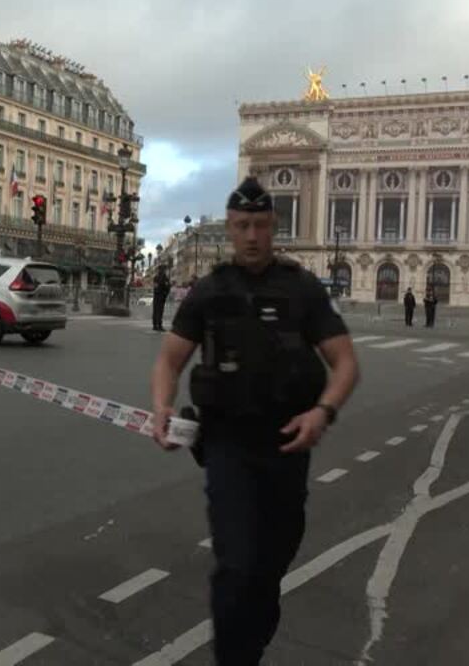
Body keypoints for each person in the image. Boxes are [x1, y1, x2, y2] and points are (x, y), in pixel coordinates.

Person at [150, 177, 360, 666]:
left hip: (288, 445)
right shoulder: (210, 290)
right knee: (235, 564)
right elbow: (169, 361)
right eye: (242, 225)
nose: (251, 235)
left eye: (260, 225)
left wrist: (322, 411)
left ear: (273, 227)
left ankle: (252, 637)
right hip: (228, 446)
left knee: (269, 566)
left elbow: (345, 362)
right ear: (230, 228)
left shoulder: (302, 289)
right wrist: (162, 405)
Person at [152, 264, 172, 332]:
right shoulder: (163, 277)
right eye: (164, 269)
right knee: (159, 311)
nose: (165, 271)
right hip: (160, 296)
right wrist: (165, 292)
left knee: (156, 310)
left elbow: (167, 286)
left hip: (158, 296)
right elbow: (167, 286)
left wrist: (166, 290)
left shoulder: (156, 277)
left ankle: (155, 325)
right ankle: (158, 325)